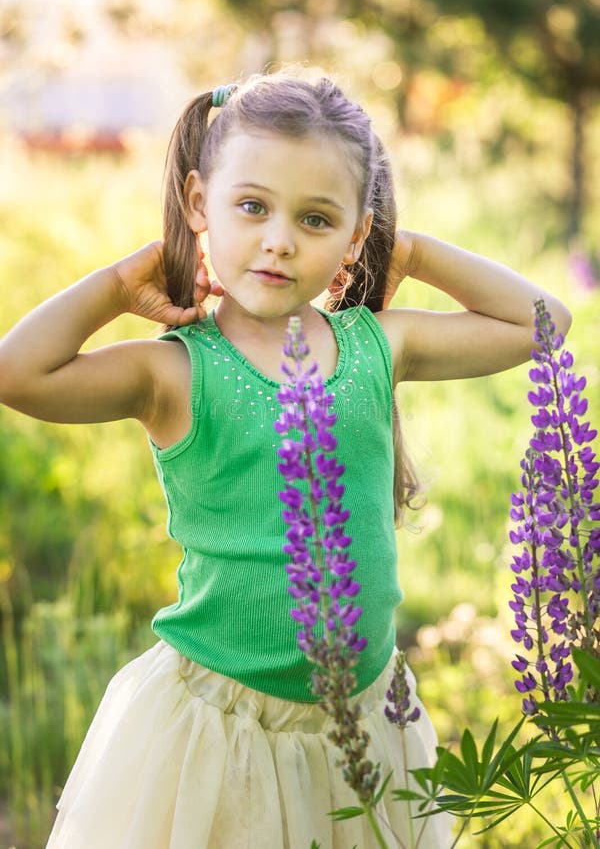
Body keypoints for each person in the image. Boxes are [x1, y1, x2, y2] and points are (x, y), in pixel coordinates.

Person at [0, 72, 571, 849]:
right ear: (200, 203)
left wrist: (406, 249)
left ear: (353, 234)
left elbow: (544, 323)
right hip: (217, 734)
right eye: (251, 206)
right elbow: (17, 373)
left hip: (363, 728)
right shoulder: (174, 371)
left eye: (315, 218)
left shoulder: (378, 344)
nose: (279, 239)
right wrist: (119, 283)